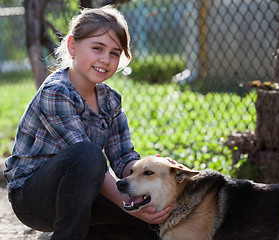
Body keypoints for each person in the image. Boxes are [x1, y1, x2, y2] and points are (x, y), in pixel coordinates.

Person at [4, 5, 172, 240]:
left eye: (115, 53)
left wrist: (149, 173)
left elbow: (123, 158)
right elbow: (88, 161)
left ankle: (89, 232)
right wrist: (129, 206)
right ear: (73, 46)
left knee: (153, 224)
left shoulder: (110, 100)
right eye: (97, 48)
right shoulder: (56, 92)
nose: (105, 59)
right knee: (88, 155)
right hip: (33, 199)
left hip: (83, 194)